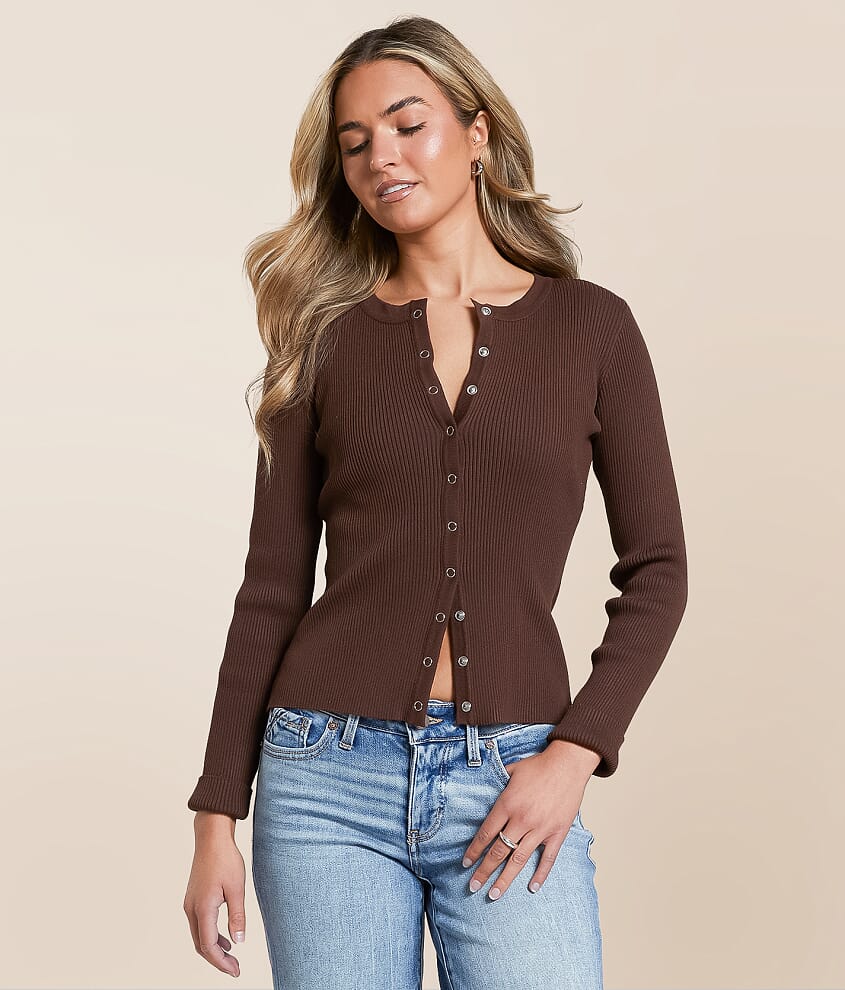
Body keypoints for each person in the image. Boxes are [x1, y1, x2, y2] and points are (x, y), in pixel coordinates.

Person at [183, 15, 688, 990]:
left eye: (407, 125)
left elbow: (657, 572)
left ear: (477, 131)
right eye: (355, 143)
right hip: (323, 777)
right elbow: (270, 591)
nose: (382, 156)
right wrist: (216, 819)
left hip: (513, 775)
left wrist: (574, 752)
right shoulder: (323, 339)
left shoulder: (591, 330)